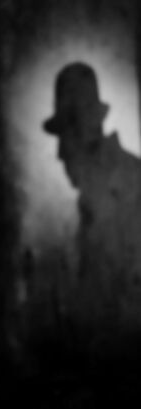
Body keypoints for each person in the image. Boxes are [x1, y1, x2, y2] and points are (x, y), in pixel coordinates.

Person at [43, 62, 141, 357]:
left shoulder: (132, 187)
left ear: (84, 133)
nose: (59, 154)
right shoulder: (90, 202)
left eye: (64, 136)